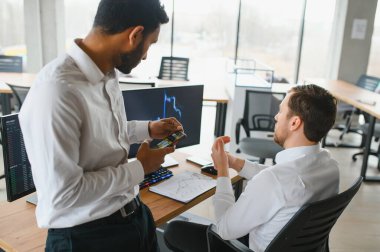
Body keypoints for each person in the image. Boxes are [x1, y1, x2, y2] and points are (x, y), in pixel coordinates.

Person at [19, 0, 178, 251]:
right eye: (150, 44)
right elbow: (64, 194)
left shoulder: (108, 73)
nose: (146, 55)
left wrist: (147, 129)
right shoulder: (57, 91)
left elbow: (98, 138)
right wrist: (141, 168)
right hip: (88, 239)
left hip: (134, 218)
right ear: (134, 35)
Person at [164, 84, 339, 252]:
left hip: (250, 247)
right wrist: (234, 163)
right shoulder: (330, 166)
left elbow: (224, 229)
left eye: (280, 111)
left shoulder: (274, 181)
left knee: (174, 230)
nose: (276, 117)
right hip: (289, 245)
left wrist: (223, 171)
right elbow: (281, 180)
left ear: (294, 123)